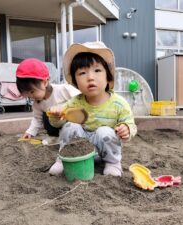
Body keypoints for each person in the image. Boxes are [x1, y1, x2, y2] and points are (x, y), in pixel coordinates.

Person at [47, 42, 137, 177]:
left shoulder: (119, 104)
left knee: (105, 131)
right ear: (75, 82)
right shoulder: (75, 102)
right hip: (78, 149)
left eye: (97, 70)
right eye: (82, 73)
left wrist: (126, 128)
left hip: (103, 151)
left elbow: (130, 124)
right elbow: (57, 124)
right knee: (70, 126)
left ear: (108, 77)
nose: (90, 77)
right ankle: (63, 159)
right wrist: (56, 115)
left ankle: (112, 164)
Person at [16, 58, 80, 139]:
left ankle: (74, 133)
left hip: (73, 122)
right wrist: (30, 132)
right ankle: (55, 136)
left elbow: (81, 98)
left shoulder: (63, 90)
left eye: (32, 92)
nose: (32, 97)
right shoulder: (37, 103)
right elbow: (37, 119)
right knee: (45, 116)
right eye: (28, 95)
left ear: (45, 82)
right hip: (56, 126)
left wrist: (67, 108)